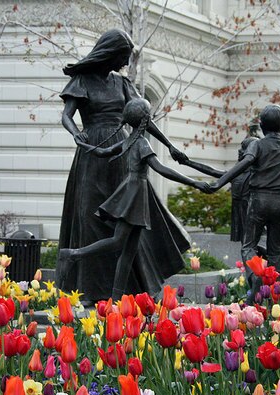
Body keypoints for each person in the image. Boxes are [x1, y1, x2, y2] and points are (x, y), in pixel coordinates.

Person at [58, 29, 190, 302]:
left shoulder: (122, 84)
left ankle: (131, 291)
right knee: (91, 219)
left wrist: (169, 145)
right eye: (123, 57)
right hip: (93, 153)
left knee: (129, 220)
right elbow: (67, 116)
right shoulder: (81, 80)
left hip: (122, 152)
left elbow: (143, 120)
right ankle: (90, 291)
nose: (125, 63)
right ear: (110, 54)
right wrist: (76, 134)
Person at [57, 99, 209, 299]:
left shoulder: (128, 140)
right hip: (135, 194)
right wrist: (194, 183)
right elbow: (161, 169)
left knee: (128, 252)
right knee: (118, 242)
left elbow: (103, 151)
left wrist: (86, 144)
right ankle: (73, 254)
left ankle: (118, 298)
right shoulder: (141, 143)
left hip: (132, 192)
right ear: (145, 119)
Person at [208, 104, 280, 304]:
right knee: (276, 251)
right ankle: (275, 298)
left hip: (260, 200)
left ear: (261, 125)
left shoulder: (257, 145)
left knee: (248, 245)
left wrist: (219, 182)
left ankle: (256, 277)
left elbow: (245, 163)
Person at [180, 118, 260, 242]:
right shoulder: (236, 172)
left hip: (250, 211)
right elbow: (212, 171)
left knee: (249, 243)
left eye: (243, 148)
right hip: (238, 210)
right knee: (246, 244)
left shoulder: (257, 174)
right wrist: (187, 162)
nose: (240, 151)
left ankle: (264, 260)